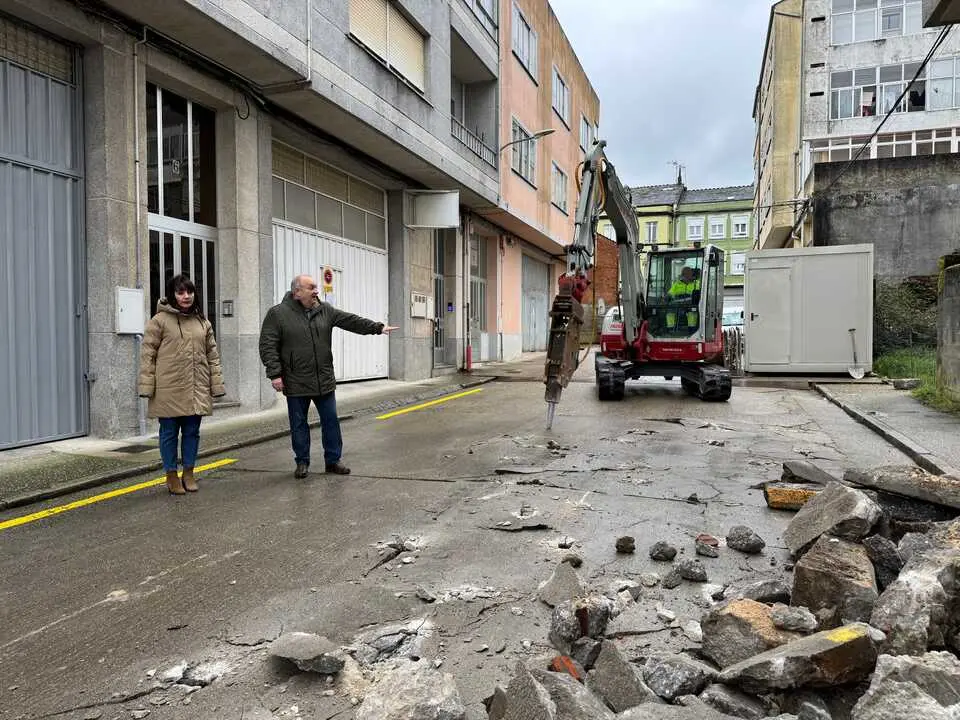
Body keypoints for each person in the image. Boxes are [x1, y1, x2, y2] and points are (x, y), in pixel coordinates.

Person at [259, 274, 397, 479]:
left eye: (316, 287)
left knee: (331, 420)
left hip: (323, 379)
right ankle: (302, 462)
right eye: (311, 287)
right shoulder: (278, 314)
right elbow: (268, 344)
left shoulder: (325, 311)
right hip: (295, 379)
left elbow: (350, 321)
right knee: (298, 424)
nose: (316, 291)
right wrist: (275, 374)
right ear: (297, 292)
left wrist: (377, 328)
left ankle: (333, 460)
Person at [138, 274, 225, 495]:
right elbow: (148, 356)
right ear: (172, 295)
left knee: (192, 432)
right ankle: (170, 475)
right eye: (180, 292)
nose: (185, 296)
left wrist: (216, 385)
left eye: (189, 292)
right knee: (168, 432)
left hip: (196, 387)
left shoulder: (203, 322)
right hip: (169, 388)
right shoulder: (158, 321)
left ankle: (188, 472)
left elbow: (212, 357)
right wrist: (146, 386)